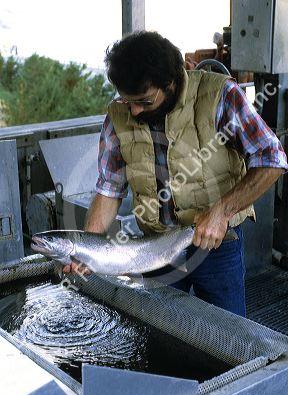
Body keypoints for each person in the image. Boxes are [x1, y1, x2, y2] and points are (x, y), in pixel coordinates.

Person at [64, 31, 287, 317]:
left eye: (143, 101)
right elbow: (109, 188)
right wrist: (85, 250)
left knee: (226, 331)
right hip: (153, 248)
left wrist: (221, 212)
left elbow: (272, 158)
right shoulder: (118, 115)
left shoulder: (220, 96)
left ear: (169, 84)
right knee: (160, 329)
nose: (132, 110)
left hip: (216, 243)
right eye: (126, 100)